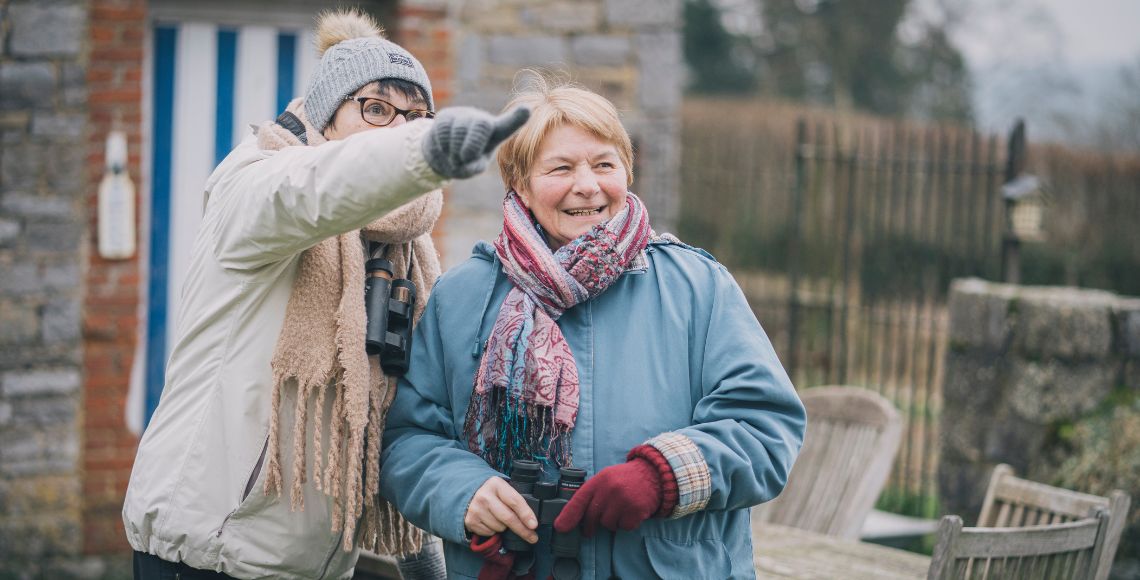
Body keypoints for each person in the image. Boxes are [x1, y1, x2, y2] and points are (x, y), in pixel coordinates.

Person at [122, 9, 528, 580]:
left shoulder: (398, 249)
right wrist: (423, 150)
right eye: (376, 109)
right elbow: (314, 186)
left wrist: (422, 562)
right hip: (205, 553)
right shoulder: (255, 184)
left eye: (416, 116)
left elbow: (393, 406)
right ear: (325, 117)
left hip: (316, 565)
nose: (398, 128)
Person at [379, 76, 806, 579]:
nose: (587, 185)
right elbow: (409, 440)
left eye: (604, 164)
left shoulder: (697, 286)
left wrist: (664, 476)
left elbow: (764, 426)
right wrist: (463, 491)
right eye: (561, 168)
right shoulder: (463, 295)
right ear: (520, 184)